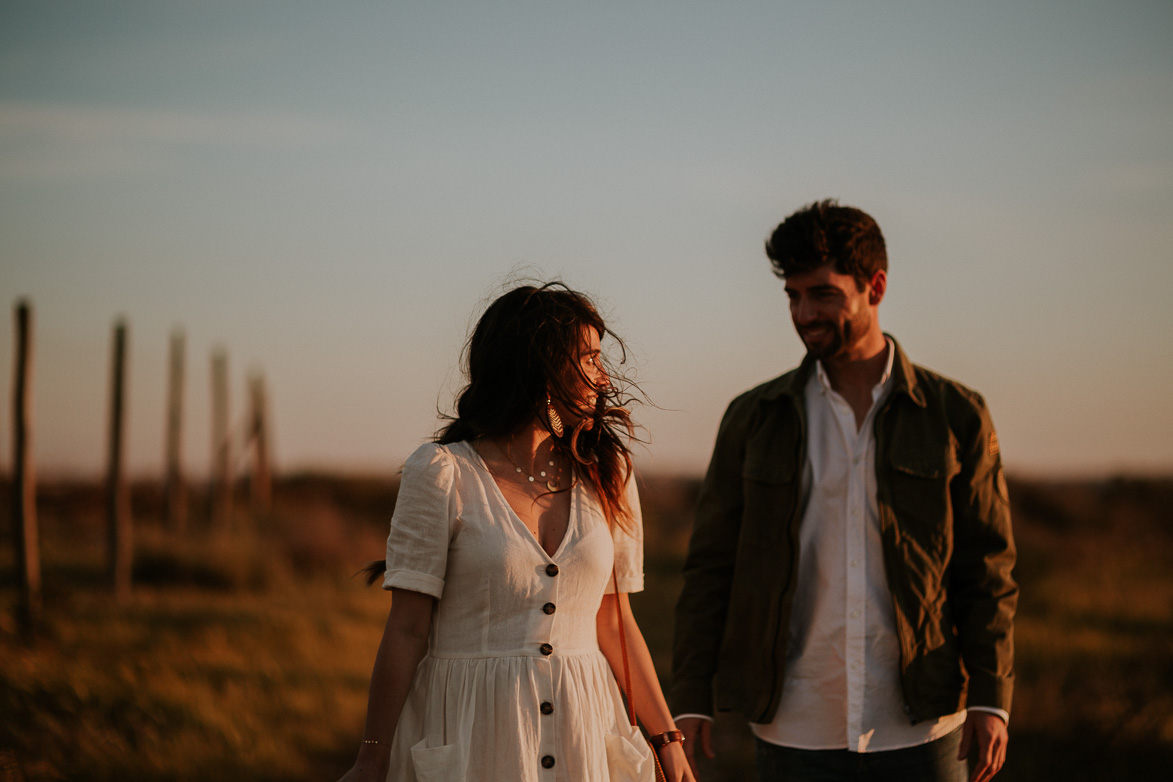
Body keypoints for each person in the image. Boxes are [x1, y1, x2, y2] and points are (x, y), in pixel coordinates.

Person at [670, 201, 1017, 782]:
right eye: (793, 296)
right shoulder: (755, 417)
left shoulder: (956, 414)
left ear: (874, 287)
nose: (804, 313)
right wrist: (690, 692)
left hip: (923, 723)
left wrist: (992, 695)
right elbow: (712, 565)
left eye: (822, 294)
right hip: (794, 722)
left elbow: (987, 568)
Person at [339, 283, 694, 782]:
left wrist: (667, 739)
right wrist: (371, 758)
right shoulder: (442, 472)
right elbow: (407, 629)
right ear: (541, 368)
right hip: (473, 730)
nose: (604, 378)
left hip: (584, 727)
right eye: (589, 359)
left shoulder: (608, 473)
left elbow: (615, 622)